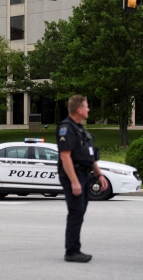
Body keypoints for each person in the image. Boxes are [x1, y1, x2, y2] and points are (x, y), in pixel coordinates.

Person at [57, 95, 108, 263]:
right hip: (74, 175)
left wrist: (99, 175)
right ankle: (72, 251)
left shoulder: (80, 129)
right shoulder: (66, 128)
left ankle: (73, 249)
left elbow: (90, 156)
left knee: (80, 212)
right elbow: (65, 157)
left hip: (84, 174)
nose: (89, 109)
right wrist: (74, 181)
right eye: (86, 106)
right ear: (79, 110)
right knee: (76, 211)